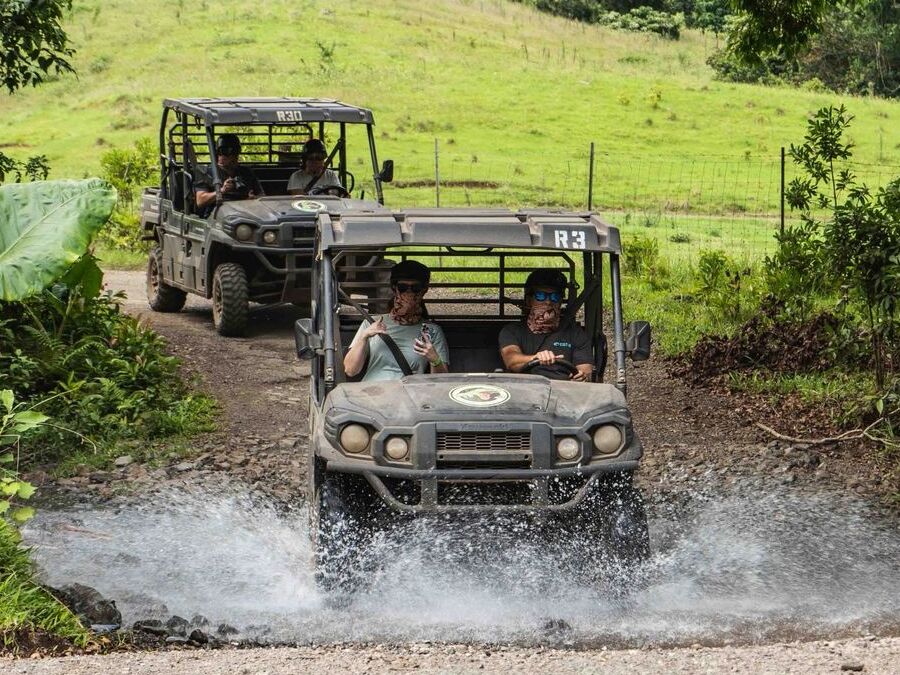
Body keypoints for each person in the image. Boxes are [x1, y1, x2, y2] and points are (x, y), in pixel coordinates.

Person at [344, 260, 450, 381]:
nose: (409, 293)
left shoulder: (431, 331)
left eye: (415, 288)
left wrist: (434, 359)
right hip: (371, 394)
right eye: (403, 287)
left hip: (408, 396)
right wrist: (364, 337)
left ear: (423, 290)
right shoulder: (372, 323)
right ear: (395, 289)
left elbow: (442, 381)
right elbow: (350, 370)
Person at [499, 269, 594, 381]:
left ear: (560, 302)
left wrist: (582, 377)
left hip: (565, 390)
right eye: (540, 296)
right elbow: (511, 360)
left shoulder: (576, 334)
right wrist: (535, 358)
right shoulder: (512, 331)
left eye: (554, 297)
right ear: (529, 300)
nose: (548, 302)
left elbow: (586, 370)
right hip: (524, 389)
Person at [194, 134, 263, 213]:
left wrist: (253, 199)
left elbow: (262, 196)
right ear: (219, 153)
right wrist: (221, 191)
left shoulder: (246, 172)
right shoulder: (206, 172)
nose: (232, 157)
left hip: (245, 212)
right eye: (226, 152)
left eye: (235, 152)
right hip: (217, 214)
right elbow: (200, 201)